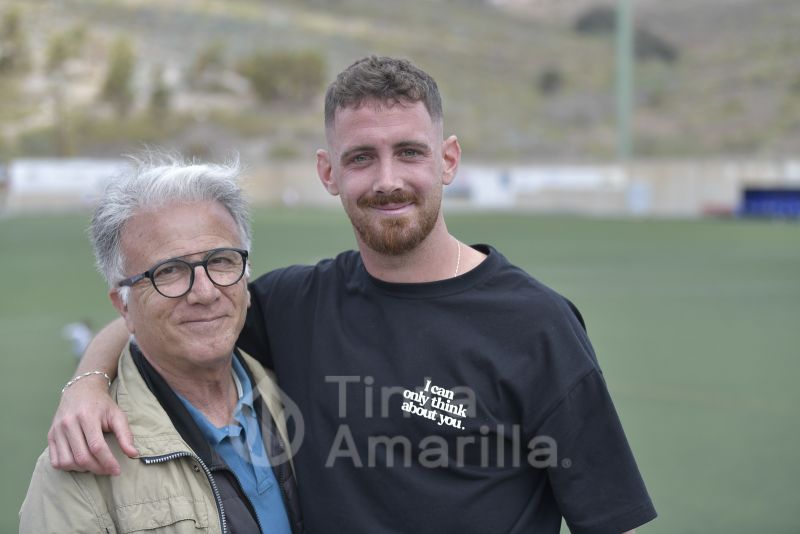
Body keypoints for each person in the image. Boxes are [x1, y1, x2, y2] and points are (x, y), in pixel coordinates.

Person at [45, 57, 656, 533]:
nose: (388, 180)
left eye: (409, 153)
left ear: (447, 161)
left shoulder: (536, 324)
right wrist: (89, 382)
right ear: (328, 172)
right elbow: (172, 306)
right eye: (362, 157)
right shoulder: (295, 303)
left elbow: (611, 521)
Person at [21, 157, 304, 533]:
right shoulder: (80, 470)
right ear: (123, 305)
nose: (204, 292)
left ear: (246, 280)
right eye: (168, 271)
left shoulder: (296, 387)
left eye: (220, 261)